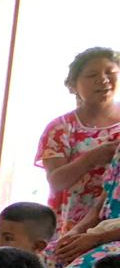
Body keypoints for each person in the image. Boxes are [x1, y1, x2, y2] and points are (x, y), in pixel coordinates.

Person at [37, 47, 120, 245]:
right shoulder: (60, 128)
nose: (103, 80)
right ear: (73, 85)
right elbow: (56, 182)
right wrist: (91, 159)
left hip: (113, 226)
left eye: (111, 72)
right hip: (72, 224)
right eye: (92, 75)